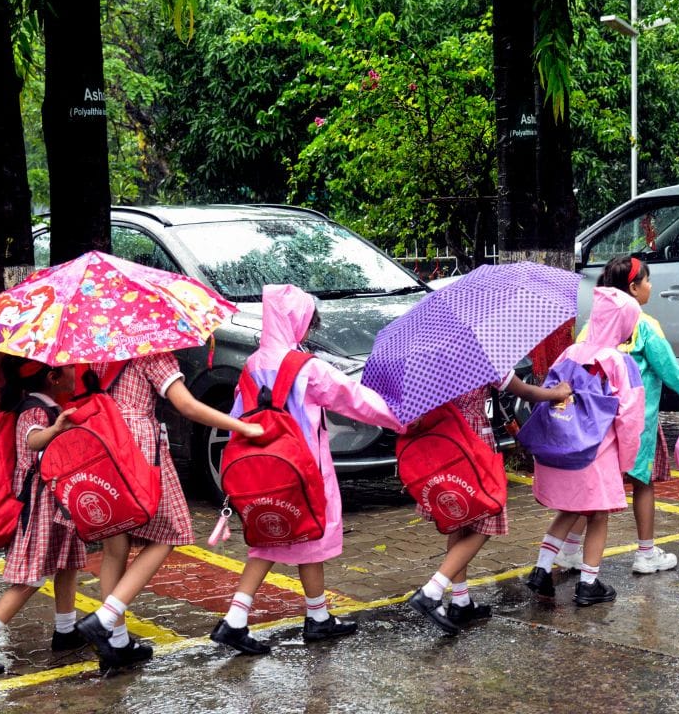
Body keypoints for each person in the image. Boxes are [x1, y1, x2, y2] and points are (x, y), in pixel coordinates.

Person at [209, 284, 404, 655]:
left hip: (261, 469)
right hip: (303, 469)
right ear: (298, 321)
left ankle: (288, 617)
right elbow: (354, 399)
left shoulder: (252, 365)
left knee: (270, 540)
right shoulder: (307, 367)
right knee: (309, 535)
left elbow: (237, 417)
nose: (309, 330)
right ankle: (288, 619)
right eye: (308, 323)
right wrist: (401, 418)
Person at [75, 351, 263, 673]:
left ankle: (116, 641)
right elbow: (186, 405)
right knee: (169, 532)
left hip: (97, 441)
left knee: (114, 548)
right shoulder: (150, 351)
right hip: (134, 448)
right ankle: (105, 618)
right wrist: (241, 427)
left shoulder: (94, 347)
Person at [558, 256, 679, 575]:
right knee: (643, 483)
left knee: (592, 486)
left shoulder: (596, 324)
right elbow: (671, 372)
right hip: (638, 422)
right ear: (633, 288)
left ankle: (568, 550)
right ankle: (646, 553)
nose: (651, 286)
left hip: (601, 422)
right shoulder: (646, 325)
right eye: (647, 281)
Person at [406, 374, 572, 634]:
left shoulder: (428, 363)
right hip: (473, 444)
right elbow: (524, 391)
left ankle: (461, 601)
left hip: (443, 443)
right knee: (487, 519)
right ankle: (432, 590)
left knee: (458, 522)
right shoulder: (479, 354)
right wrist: (557, 392)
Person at [0, 359, 85, 675]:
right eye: (70, 368)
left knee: (66, 563)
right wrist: (56, 429)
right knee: (31, 578)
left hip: (56, 504)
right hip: (38, 507)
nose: (76, 372)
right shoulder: (34, 410)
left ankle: (66, 630)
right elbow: (33, 439)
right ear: (52, 377)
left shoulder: (51, 405)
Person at [523, 287, 645, 606]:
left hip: (564, 446)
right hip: (598, 454)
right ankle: (589, 583)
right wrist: (626, 461)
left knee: (570, 509)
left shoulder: (570, 353)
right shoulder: (621, 362)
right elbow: (631, 417)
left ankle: (541, 569)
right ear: (623, 325)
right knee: (598, 516)